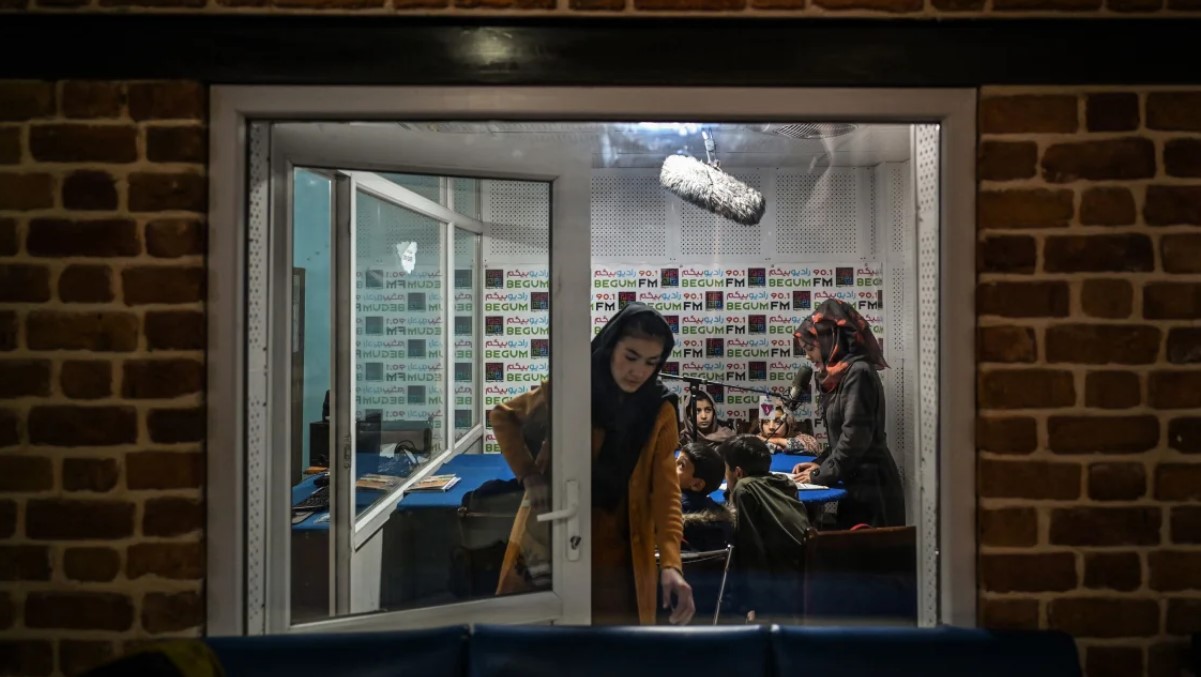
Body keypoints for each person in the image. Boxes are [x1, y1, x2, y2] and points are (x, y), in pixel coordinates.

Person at [490, 302, 696, 625]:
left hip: (621, 557)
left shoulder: (659, 411)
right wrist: (529, 475)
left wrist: (671, 564)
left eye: (651, 363)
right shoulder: (572, 388)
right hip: (554, 540)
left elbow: (667, 495)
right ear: (611, 344)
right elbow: (503, 417)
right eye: (631, 357)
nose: (639, 371)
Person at [791, 299, 905, 529]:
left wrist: (820, 476)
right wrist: (820, 464)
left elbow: (854, 437)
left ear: (830, 342)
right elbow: (839, 437)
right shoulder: (838, 375)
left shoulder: (858, 373)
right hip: (854, 484)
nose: (807, 357)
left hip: (872, 490)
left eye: (810, 349)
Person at [718, 434, 811, 624]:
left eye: (726, 470)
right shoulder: (784, 483)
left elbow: (750, 548)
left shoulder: (744, 489)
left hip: (780, 587)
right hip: (805, 575)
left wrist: (754, 604)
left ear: (738, 472)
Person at [676, 442, 734, 553]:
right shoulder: (724, 520)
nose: (673, 464)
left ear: (696, 485)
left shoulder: (665, 516)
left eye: (681, 465)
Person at [755, 401, 821, 454]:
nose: (771, 427)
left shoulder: (801, 437)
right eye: (766, 422)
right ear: (761, 424)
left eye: (778, 422)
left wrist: (778, 440)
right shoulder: (755, 440)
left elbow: (814, 448)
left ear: (788, 423)